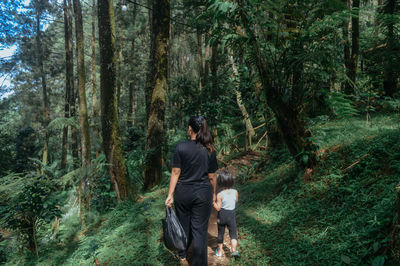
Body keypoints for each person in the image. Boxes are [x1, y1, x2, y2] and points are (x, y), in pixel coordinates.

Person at [165, 116, 218, 266]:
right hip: (203, 194)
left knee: (183, 225)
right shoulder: (209, 149)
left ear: (190, 129)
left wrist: (170, 195)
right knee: (200, 231)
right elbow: (212, 176)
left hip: (183, 193)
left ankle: (182, 257)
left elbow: (175, 172)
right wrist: (213, 193)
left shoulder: (181, 147)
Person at [213, 170, 240, 258]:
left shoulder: (220, 194)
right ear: (231, 181)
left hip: (222, 216)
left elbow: (218, 208)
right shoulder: (235, 192)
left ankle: (220, 251)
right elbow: (236, 201)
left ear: (220, 182)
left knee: (221, 233)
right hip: (231, 216)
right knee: (233, 235)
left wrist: (213, 202)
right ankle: (234, 251)